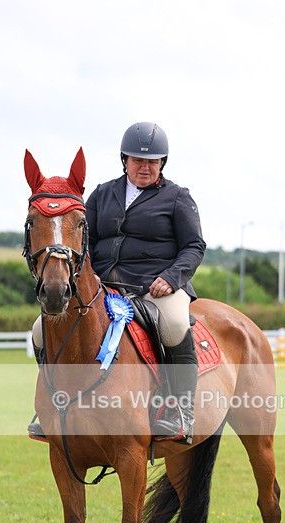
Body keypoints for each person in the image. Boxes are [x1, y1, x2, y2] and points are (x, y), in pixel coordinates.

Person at [85, 121, 206, 443]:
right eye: (138, 161)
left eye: (153, 161)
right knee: (43, 329)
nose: (145, 167)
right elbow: (85, 240)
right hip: (101, 289)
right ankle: (52, 407)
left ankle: (181, 410)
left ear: (162, 163)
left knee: (176, 324)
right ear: (124, 160)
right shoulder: (101, 194)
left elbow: (195, 246)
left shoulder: (178, 197)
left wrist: (170, 277)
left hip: (154, 289)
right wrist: (87, 273)